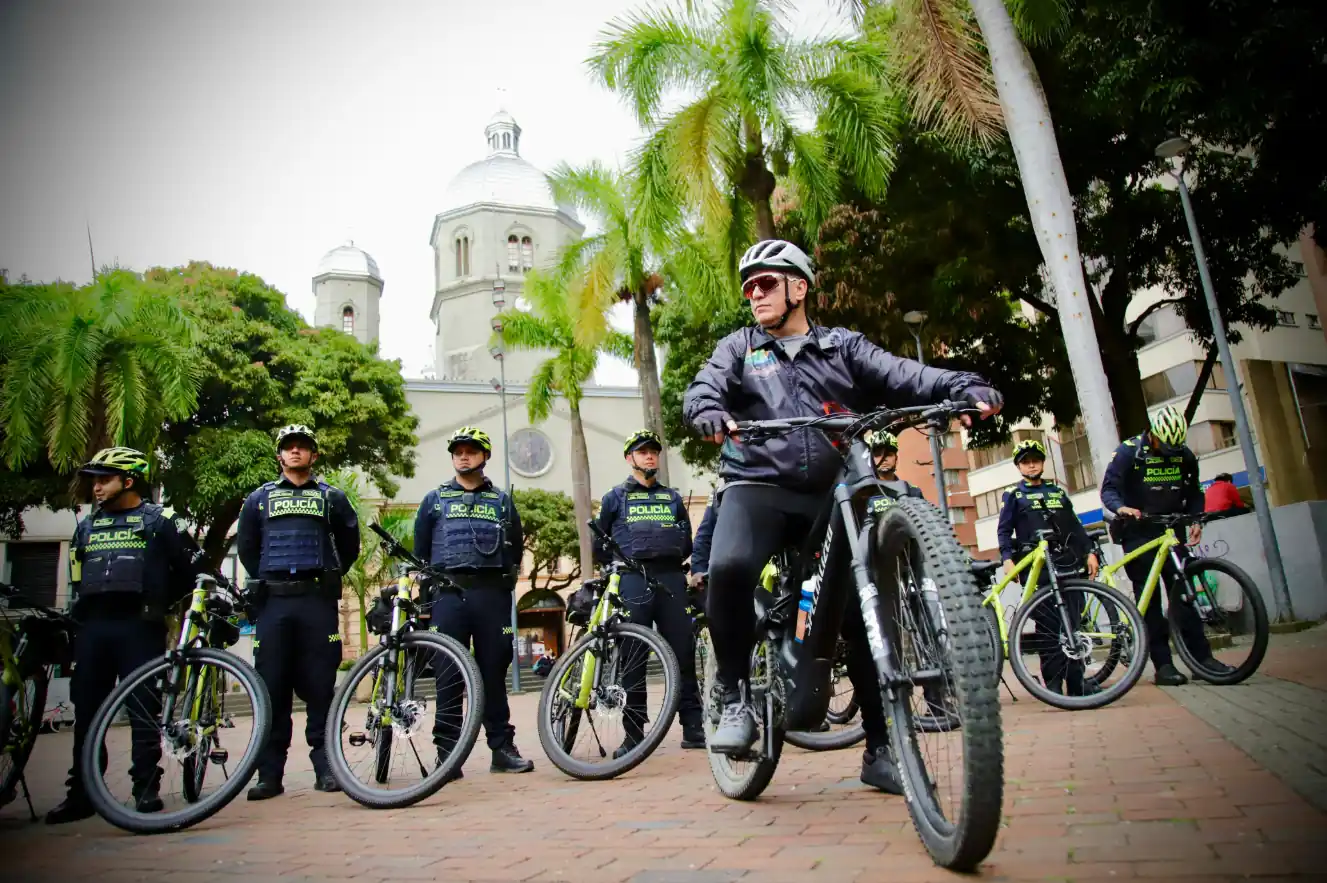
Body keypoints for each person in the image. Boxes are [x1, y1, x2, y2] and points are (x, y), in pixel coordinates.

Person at [682, 238, 1002, 791]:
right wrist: (708, 410)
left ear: (798, 288)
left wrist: (960, 385)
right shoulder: (738, 348)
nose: (754, 294)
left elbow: (903, 374)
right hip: (758, 484)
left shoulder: (841, 345)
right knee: (730, 566)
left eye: (766, 283)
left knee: (862, 611)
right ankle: (734, 695)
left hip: (832, 494)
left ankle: (881, 752)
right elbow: (704, 389)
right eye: (748, 286)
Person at [46, 447, 208, 824]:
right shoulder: (86, 526)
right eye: (95, 481)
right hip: (93, 628)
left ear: (129, 481)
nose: (97, 488)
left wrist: (162, 603)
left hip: (141, 627)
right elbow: (76, 575)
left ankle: (146, 790)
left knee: (143, 712)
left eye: (105, 480)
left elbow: (190, 570)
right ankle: (82, 793)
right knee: (87, 714)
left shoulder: (160, 520)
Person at [238, 425, 360, 799]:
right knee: (271, 688)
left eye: (302, 448)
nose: (295, 452)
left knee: (322, 688)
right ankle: (269, 775)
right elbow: (247, 549)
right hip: (274, 605)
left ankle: (327, 768)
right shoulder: (258, 500)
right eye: (288, 448)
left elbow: (349, 545)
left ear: (314, 456)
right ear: (279, 455)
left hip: (316, 603)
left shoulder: (332, 498)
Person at [414, 426, 534, 776]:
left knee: (492, 675)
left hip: (491, 596)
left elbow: (515, 544)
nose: (463, 456)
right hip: (448, 596)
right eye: (457, 451)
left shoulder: (501, 501)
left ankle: (501, 749)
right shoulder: (433, 501)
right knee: (448, 675)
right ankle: (447, 756)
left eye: (470, 450)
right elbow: (421, 552)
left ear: (485, 455)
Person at [1101, 405, 1236, 686]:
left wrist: (1197, 518)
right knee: (1150, 601)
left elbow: (1193, 490)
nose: (1169, 451)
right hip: (1138, 532)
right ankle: (1163, 665)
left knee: (1185, 595)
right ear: (1151, 434)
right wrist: (1122, 508)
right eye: (1164, 446)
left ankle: (1203, 660)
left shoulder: (1183, 454)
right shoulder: (1128, 452)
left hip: (1172, 530)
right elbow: (1108, 490)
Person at [596, 429, 704, 754]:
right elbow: (600, 543)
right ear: (630, 458)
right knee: (633, 657)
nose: (649, 456)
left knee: (683, 654)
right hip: (633, 579)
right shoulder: (614, 498)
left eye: (653, 451)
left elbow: (687, 541)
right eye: (642, 452)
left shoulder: (671, 497)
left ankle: (694, 727)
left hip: (671, 580)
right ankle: (634, 735)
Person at [996, 439, 1100, 695]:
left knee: (1072, 626)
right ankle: (1052, 685)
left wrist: (1090, 552)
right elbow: (1004, 531)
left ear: (1042, 462)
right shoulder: (1013, 495)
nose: (1031, 466)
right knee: (1048, 629)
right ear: (1019, 466)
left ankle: (1077, 684)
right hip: (1038, 568)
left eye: (1035, 461)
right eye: (1025, 462)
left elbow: (1075, 526)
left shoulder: (1057, 492)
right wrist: (1007, 559)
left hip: (1068, 563)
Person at [863, 431, 925, 511]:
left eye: (888, 455)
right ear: (871, 460)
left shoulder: (912, 491)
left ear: (896, 459)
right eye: (878, 455)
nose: (884, 459)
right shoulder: (864, 493)